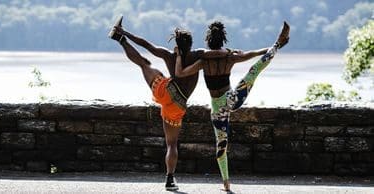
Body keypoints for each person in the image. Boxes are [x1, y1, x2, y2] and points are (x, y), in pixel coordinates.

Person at [108, 16, 230, 191]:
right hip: (177, 105)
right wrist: (230, 52)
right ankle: (169, 178)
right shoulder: (198, 55)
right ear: (190, 44)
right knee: (172, 144)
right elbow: (219, 53)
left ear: (177, 44)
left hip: (164, 92)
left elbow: (146, 45)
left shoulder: (169, 55)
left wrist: (124, 32)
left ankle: (120, 40)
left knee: (144, 65)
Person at [174, 21, 290, 191]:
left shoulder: (203, 61)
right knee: (254, 70)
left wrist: (178, 55)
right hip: (232, 99)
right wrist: (273, 47)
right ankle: (278, 42)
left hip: (218, 109)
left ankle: (226, 184)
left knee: (221, 144)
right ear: (223, 40)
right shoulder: (230, 56)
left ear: (208, 41)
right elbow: (252, 54)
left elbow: (180, 73)